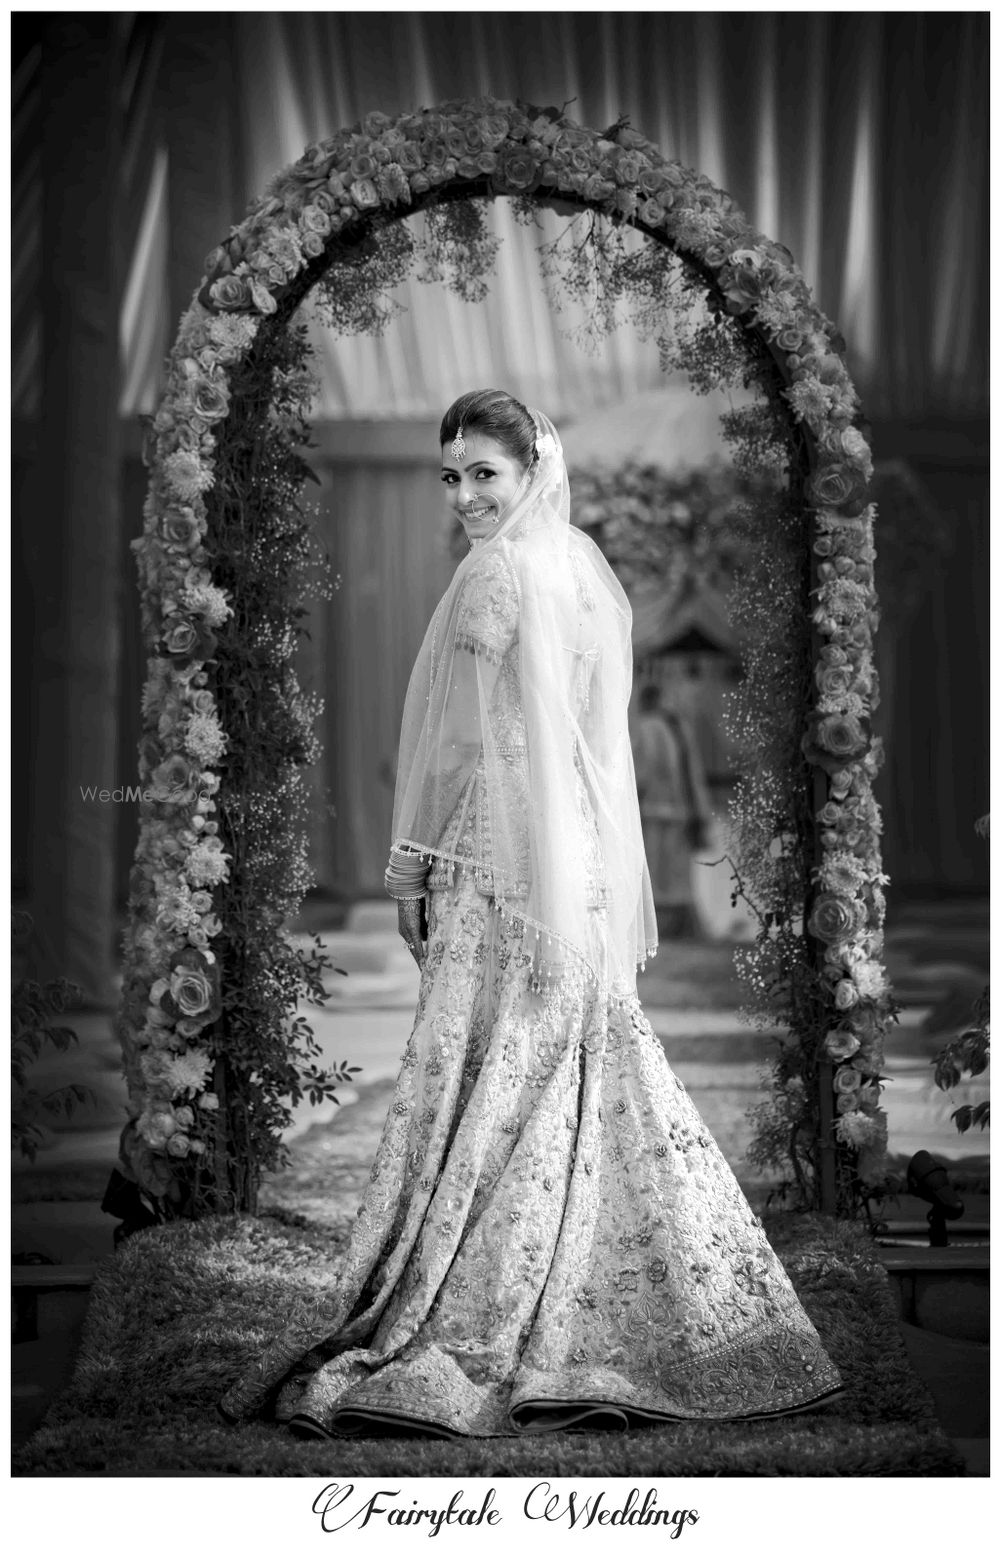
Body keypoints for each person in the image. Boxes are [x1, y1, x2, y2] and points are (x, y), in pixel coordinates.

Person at [219, 390, 841, 1438]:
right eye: (450, 475)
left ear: (530, 468)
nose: (463, 495)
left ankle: (476, 1317)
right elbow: (600, 754)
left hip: (498, 861)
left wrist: (410, 869)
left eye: (482, 474)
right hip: (578, 864)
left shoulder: (497, 575)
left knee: (503, 1071)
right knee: (575, 1068)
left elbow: (459, 746)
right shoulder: (584, 570)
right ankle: (671, 1316)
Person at [632, 681, 713, 938]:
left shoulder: (647, 727)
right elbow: (694, 772)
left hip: (654, 810)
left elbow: (641, 771)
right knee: (677, 874)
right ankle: (680, 928)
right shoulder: (678, 727)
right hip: (681, 810)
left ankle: (659, 930)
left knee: (656, 873)